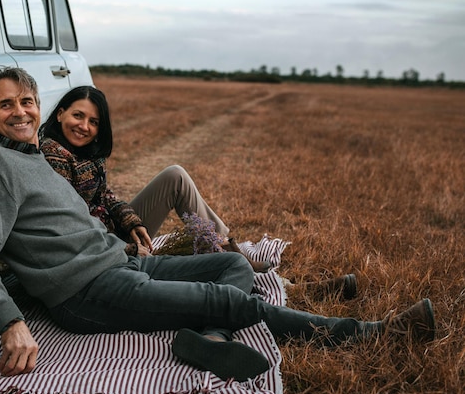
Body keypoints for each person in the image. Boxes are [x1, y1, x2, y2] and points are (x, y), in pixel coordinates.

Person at [0, 66, 436, 381]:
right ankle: (372, 333)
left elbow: (96, 204)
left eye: (26, 102)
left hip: (121, 265)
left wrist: (129, 238)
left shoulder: (33, 156)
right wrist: (9, 322)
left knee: (229, 265)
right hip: (86, 294)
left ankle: (211, 340)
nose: (20, 112)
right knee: (227, 298)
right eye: (6, 105)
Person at [38, 85, 356, 298]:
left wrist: (133, 222)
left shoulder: (82, 153)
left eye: (93, 121)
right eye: (78, 116)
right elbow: (75, 226)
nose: (84, 126)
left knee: (175, 175)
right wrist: (130, 250)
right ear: (61, 112)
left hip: (115, 236)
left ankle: (229, 248)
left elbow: (105, 197)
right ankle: (292, 290)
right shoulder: (54, 156)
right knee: (198, 266)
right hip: (100, 253)